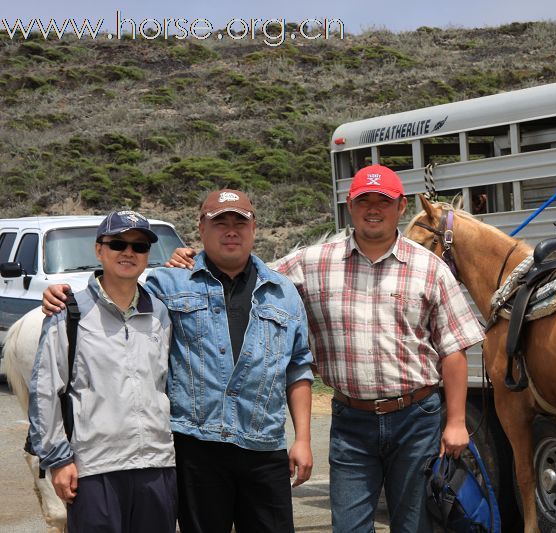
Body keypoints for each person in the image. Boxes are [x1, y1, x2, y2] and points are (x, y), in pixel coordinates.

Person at [166, 165, 485, 533]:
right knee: (349, 527)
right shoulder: (314, 262)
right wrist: (193, 260)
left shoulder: (430, 268)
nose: (373, 209)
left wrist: (457, 421)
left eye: (383, 201)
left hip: (415, 417)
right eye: (364, 200)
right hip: (352, 421)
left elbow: (453, 349)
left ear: (401, 208)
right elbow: (249, 274)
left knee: (413, 526)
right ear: (350, 206)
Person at [42, 190, 314, 533]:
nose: (231, 230)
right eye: (220, 222)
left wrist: (302, 439)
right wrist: (63, 294)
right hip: (196, 450)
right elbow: (117, 292)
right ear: (201, 228)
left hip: (264, 447)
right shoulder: (167, 284)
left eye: (239, 222)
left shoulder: (283, 291)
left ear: (254, 228)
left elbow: (298, 366)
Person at [29, 210, 177, 532]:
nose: (128, 252)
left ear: (147, 255)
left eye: (139, 247)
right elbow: (44, 392)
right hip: (95, 469)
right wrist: (58, 459)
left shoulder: (160, 315)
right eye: (118, 244)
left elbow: (166, 386)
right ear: (99, 250)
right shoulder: (69, 313)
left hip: (157, 466)